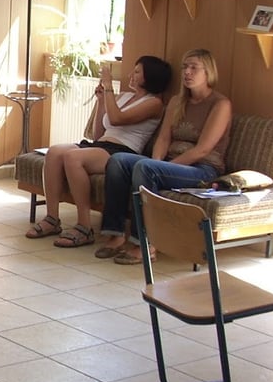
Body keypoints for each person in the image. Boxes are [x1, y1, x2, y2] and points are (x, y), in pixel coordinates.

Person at [99, 49, 232, 265]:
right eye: (185, 67)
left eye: (194, 68)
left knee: (145, 168)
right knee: (119, 160)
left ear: (208, 72)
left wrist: (159, 167)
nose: (187, 72)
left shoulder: (220, 104)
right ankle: (116, 233)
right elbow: (163, 139)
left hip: (203, 169)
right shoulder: (177, 101)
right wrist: (157, 163)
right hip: (171, 164)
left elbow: (203, 150)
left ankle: (146, 244)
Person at [25, 56, 172, 250]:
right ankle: (52, 218)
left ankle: (84, 227)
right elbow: (99, 134)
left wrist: (109, 86)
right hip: (101, 145)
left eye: (137, 72)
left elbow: (117, 119)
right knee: (54, 153)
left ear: (150, 77)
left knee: (72, 157)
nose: (131, 75)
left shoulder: (154, 103)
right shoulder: (124, 96)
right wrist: (101, 101)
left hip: (123, 152)